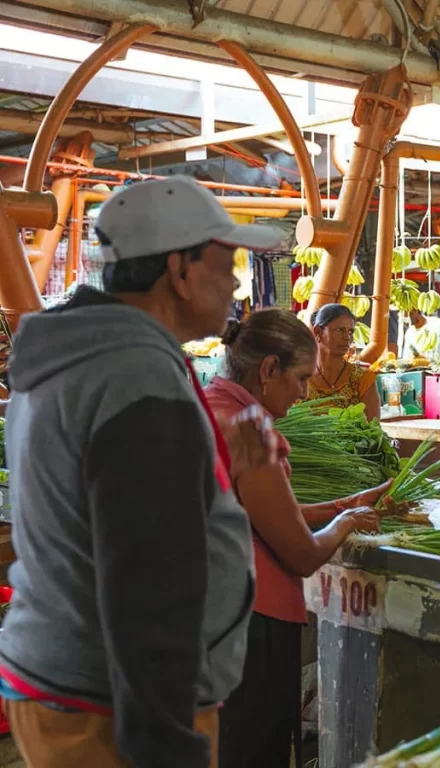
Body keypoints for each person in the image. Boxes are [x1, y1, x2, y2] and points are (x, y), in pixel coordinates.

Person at [0, 176, 284, 767]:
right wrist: (166, 743)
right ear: (179, 271)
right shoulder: (136, 380)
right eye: (225, 261)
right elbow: (147, 585)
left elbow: (97, 500)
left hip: (65, 682)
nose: (235, 282)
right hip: (111, 705)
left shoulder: (77, 353)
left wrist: (206, 466)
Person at [205, 309, 386, 767]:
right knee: (254, 751)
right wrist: (343, 526)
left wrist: (341, 507)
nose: (305, 392)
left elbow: (258, 515)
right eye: (301, 378)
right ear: (268, 370)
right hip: (252, 623)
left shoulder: (211, 407)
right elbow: (303, 554)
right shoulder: (250, 430)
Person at [305, 303, 381, 420]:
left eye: (350, 332)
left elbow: (373, 429)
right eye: (340, 330)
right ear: (318, 332)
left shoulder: (363, 379)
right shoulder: (300, 378)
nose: (347, 337)